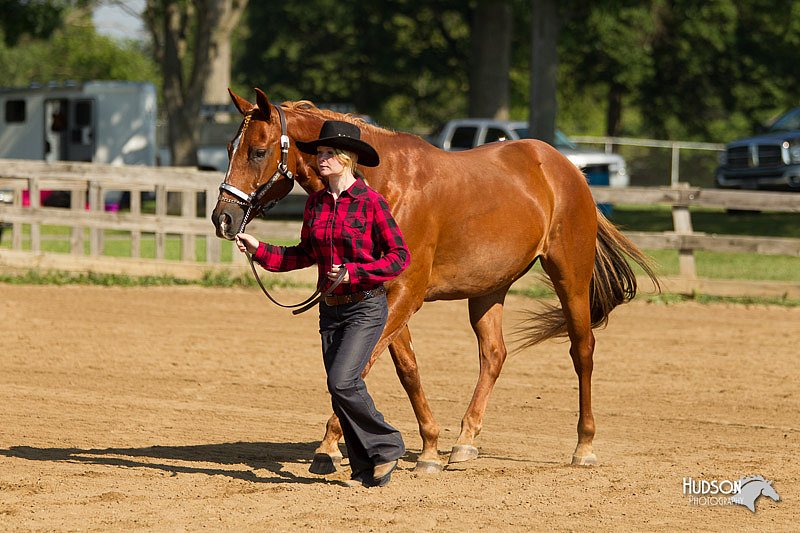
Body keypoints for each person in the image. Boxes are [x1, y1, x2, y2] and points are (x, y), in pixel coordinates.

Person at [235, 120, 410, 488]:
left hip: (365, 306)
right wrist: (260, 249)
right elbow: (301, 254)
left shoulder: (371, 203)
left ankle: (388, 442)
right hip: (330, 310)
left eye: (329, 153)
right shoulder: (314, 204)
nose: (321, 159)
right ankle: (366, 467)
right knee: (339, 387)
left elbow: (399, 257)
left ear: (347, 159)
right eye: (320, 153)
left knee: (342, 381)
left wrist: (355, 273)